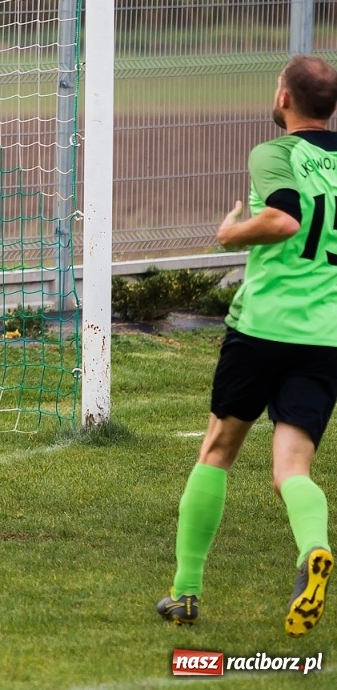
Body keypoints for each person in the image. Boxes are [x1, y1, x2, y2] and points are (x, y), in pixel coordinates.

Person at [158, 55, 337, 636]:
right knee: (292, 468)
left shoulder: (274, 153)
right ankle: (313, 547)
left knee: (217, 450)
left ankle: (185, 593)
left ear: (284, 98)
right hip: (326, 335)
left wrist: (230, 232)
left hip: (263, 327)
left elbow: (284, 219)